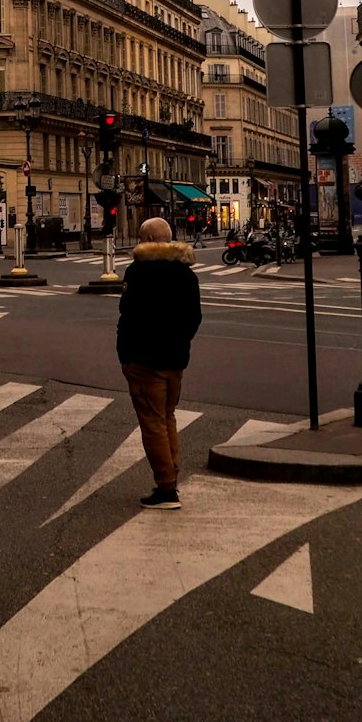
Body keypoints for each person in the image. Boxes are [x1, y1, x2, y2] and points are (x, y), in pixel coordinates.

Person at [116, 215, 202, 510]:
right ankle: (171, 478)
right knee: (167, 418)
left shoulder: (139, 272)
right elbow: (194, 318)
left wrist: (125, 354)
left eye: (142, 238)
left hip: (143, 359)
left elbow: (127, 314)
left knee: (153, 424)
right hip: (175, 360)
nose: (139, 243)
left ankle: (166, 489)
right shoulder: (186, 274)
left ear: (150, 241)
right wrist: (180, 343)